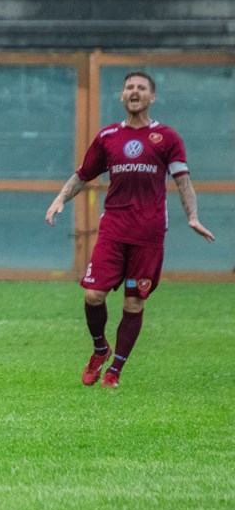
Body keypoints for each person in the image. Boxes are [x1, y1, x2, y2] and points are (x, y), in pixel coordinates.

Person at [45, 71, 215, 389]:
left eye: (141, 88)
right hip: (113, 230)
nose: (134, 92)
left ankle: (115, 370)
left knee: (133, 303)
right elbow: (83, 175)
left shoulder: (166, 137)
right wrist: (60, 199)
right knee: (93, 295)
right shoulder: (108, 136)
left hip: (148, 235)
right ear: (122, 96)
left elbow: (183, 181)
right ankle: (100, 349)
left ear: (152, 97)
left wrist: (192, 216)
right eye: (129, 87)